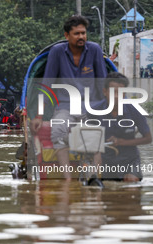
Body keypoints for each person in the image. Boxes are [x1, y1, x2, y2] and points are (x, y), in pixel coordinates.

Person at [30, 15, 107, 180]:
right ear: (67, 36)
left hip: (91, 106)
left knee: (96, 132)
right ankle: (67, 178)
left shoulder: (94, 50)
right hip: (65, 107)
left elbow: (103, 84)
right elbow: (47, 84)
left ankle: (95, 176)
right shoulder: (57, 52)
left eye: (83, 33)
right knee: (57, 130)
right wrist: (39, 116)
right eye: (77, 33)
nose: (81, 37)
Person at [89, 72, 152, 182]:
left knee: (131, 184)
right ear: (105, 92)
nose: (117, 96)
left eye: (121, 93)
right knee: (96, 189)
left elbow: (148, 138)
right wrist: (96, 155)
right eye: (114, 92)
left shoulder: (134, 110)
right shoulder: (93, 112)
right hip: (104, 160)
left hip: (130, 159)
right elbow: (88, 140)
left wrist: (121, 142)